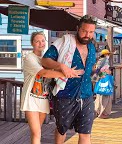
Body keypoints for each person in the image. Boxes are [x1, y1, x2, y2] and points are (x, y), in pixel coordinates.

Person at [41, 15, 97, 144]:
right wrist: (61, 66)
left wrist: (97, 73)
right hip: (65, 95)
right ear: (78, 28)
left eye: (91, 32)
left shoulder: (92, 48)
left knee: (85, 133)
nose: (87, 35)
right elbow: (45, 60)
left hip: (87, 95)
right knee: (62, 130)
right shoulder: (64, 42)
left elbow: (89, 69)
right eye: (84, 31)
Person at [21, 32, 83, 144]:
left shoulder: (46, 59)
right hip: (31, 99)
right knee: (36, 133)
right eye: (37, 41)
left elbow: (54, 72)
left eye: (43, 41)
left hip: (43, 99)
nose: (41, 43)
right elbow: (44, 73)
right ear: (32, 43)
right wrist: (67, 73)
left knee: (37, 132)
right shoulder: (29, 58)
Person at [94, 49, 113, 119]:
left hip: (100, 80)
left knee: (99, 96)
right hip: (104, 79)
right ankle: (102, 112)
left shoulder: (99, 60)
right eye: (108, 54)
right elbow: (102, 71)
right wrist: (107, 73)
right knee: (105, 97)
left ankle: (98, 111)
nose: (109, 55)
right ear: (105, 54)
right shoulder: (105, 60)